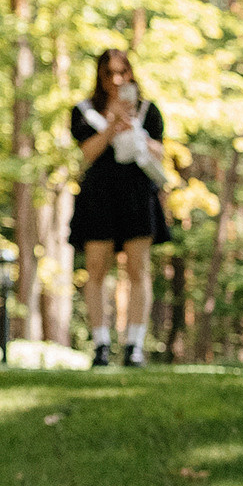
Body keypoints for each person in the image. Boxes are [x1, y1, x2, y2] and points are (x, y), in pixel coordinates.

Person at [69, 50, 170, 368]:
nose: (116, 80)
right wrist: (110, 128)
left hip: (137, 194)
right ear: (99, 76)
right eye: (108, 73)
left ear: (130, 73)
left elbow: (161, 151)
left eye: (122, 72)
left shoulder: (147, 110)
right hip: (99, 195)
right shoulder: (84, 111)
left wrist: (136, 132)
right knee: (96, 269)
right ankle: (100, 345)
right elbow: (87, 153)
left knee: (138, 270)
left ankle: (134, 346)